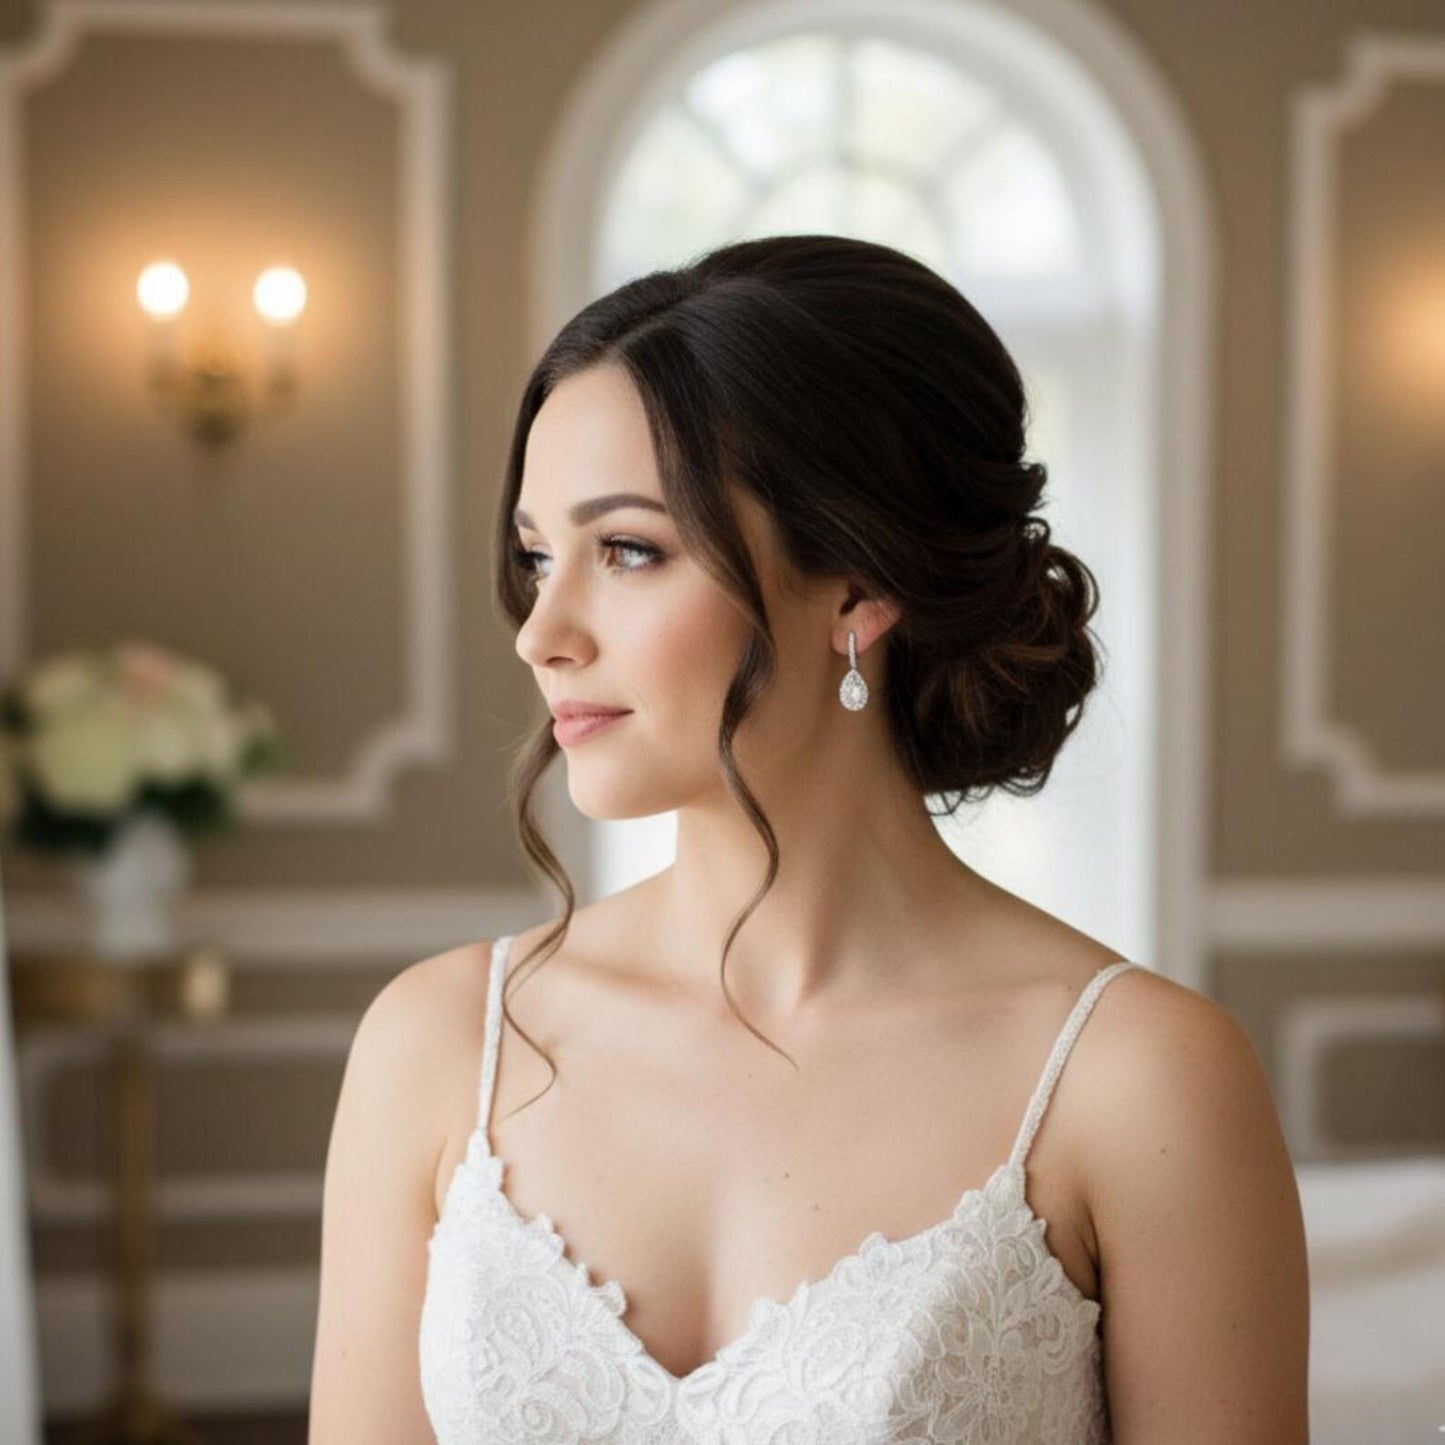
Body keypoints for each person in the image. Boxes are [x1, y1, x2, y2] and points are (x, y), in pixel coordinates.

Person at [308, 234, 1310, 1442]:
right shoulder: (434, 1044)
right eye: (536, 555)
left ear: (857, 586)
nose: (542, 631)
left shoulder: (1138, 1077)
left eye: (627, 549)